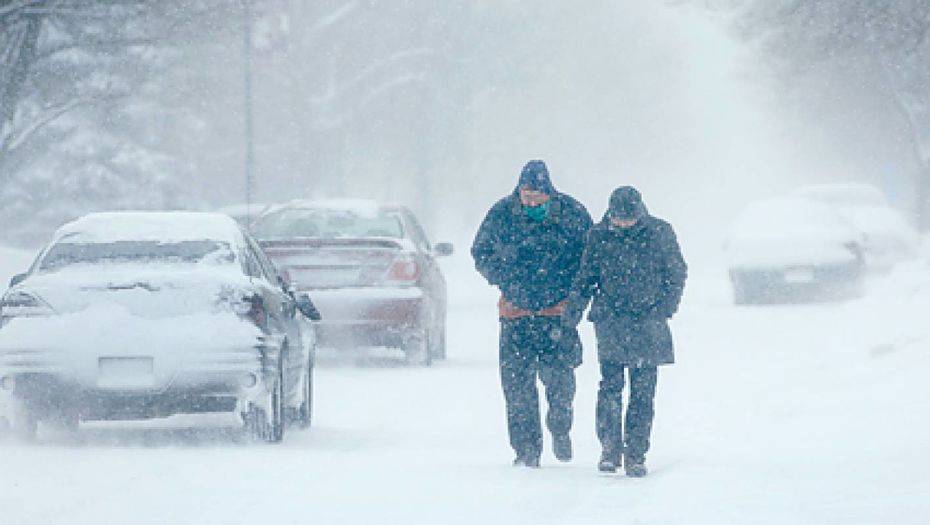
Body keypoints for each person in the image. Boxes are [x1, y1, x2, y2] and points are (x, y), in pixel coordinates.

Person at [471, 160, 593, 468]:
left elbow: (590, 257)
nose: (532, 202)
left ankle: (560, 426)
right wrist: (504, 279)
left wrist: (573, 292)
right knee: (517, 388)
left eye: (538, 196)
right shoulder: (502, 214)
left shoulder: (572, 213)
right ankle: (526, 451)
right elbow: (480, 251)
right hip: (516, 314)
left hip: (557, 314)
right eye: (527, 196)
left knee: (560, 382)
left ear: (549, 192)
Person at [564, 186, 687, 477]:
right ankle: (609, 449)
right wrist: (572, 313)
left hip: (649, 322)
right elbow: (586, 277)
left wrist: (665, 308)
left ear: (639, 212)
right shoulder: (598, 235)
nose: (622, 223)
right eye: (618, 219)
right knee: (610, 387)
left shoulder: (660, 232)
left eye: (628, 218)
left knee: (643, 393)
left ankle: (636, 454)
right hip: (611, 321)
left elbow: (676, 272)